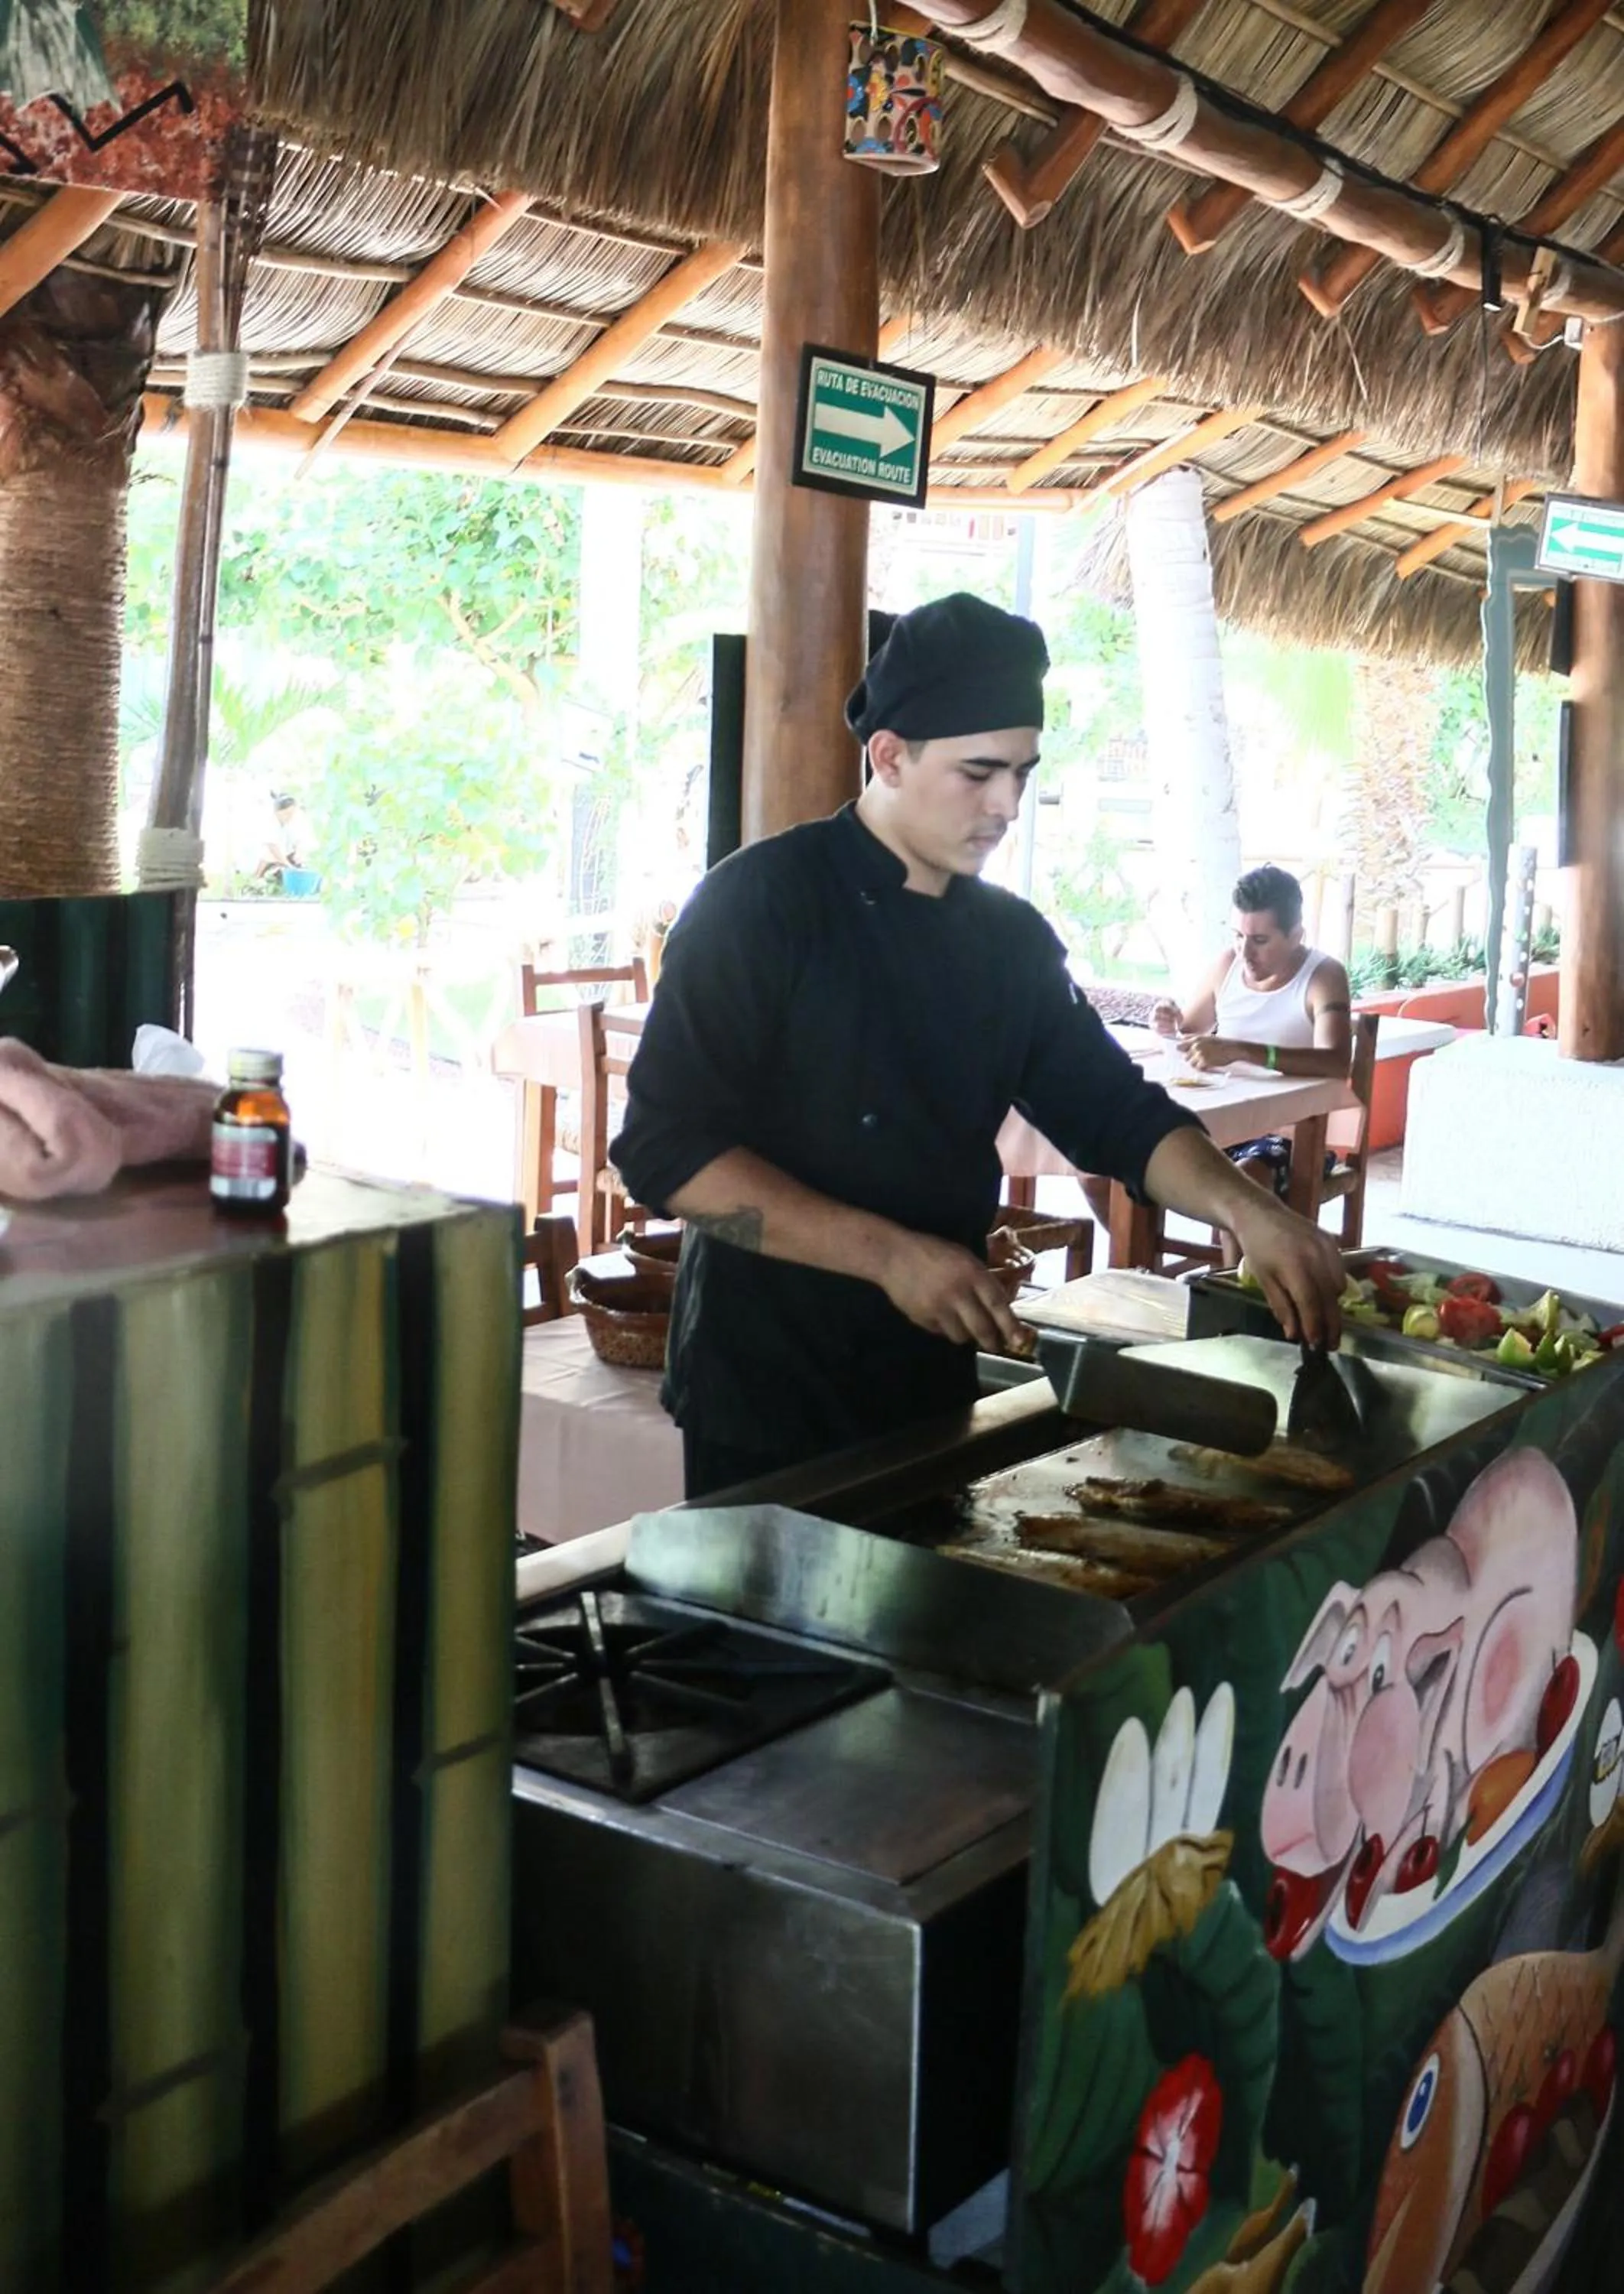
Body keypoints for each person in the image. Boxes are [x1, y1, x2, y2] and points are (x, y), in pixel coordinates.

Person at [611, 596, 1344, 1500]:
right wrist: (890, 1255)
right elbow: (660, 1152)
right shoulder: (758, 904)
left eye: (1024, 773)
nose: (1007, 805)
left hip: (929, 1374)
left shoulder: (1008, 941)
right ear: (889, 755)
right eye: (979, 773)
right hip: (766, 1387)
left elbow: (1114, 1111)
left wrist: (1250, 1212)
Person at [1151, 863, 1353, 1212]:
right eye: (1238, 936)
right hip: (1219, 1127)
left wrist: (1242, 1051)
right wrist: (1169, 1023)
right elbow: (1188, 1031)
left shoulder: (1323, 976)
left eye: (1260, 940)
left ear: (1296, 936)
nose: (1245, 953)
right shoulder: (1227, 965)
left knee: (1240, 1185)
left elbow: (1336, 1062)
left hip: (1296, 1138)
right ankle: (1139, 1266)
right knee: (1116, 1159)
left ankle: (1243, 1269)